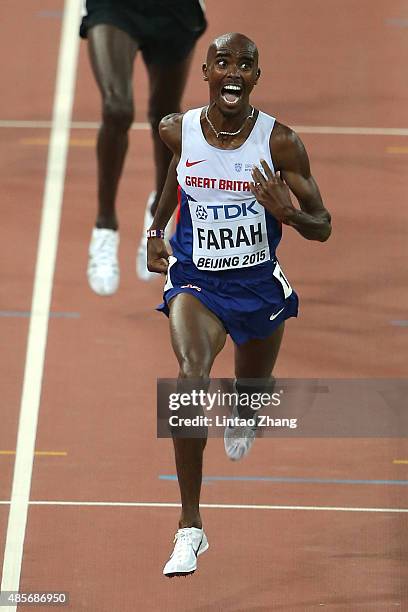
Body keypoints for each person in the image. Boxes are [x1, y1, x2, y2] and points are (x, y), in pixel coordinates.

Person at [147, 32, 331, 577]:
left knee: (250, 392)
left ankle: (250, 408)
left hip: (257, 287)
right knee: (190, 376)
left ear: (256, 77)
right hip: (196, 281)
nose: (233, 71)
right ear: (205, 71)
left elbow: (323, 226)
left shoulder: (280, 143)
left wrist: (290, 214)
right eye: (222, 62)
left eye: (245, 65)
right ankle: (190, 527)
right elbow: (175, 181)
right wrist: (154, 229)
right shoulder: (176, 129)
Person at [79, 0, 207, 295]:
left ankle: (156, 217)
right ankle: (105, 225)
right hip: (114, 8)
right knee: (117, 109)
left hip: (174, 10)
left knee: (164, 116)